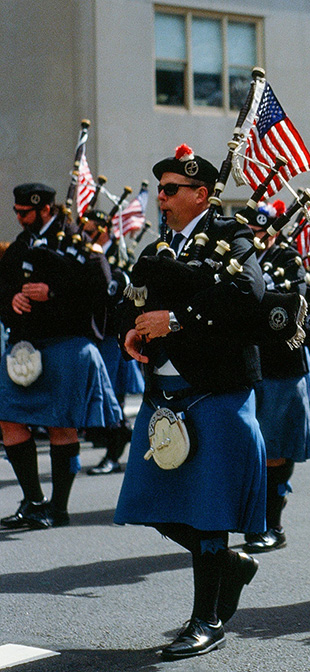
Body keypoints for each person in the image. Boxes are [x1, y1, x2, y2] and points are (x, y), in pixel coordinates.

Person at [114, 145, 264, 659]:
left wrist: (176, 320)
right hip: (165, 396)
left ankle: (207, 620)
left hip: (214, 392)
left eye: (172, 189)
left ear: (202, 194)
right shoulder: (157, 249)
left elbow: (251, 293)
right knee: (151, 503)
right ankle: (231, 566)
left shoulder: (230, 235)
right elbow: (129, 301)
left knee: (207, 512)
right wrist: (129, 333)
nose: (162, 197)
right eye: (160, 188)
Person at [0, 183, 122, 529]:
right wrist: (11, 301)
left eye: (25, 213)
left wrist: (52, 291)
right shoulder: (21, 245)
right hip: (25, 346)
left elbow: (101, 285)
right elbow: (2, 286)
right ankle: (34, 501)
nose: (20, 218)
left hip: (67, 343)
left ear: (45, 209)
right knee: (8, 418)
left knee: (61, 426)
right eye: (17, 212)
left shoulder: (79, 241)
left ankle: (58, 508)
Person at [241, 202, 310, 553]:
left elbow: (293, 302)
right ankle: (248, 520)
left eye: (263, 231)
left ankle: (272, 525)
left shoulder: (288, 260)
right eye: (252, 232)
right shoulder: (238, 258)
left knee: (274, 450)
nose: (257, 237)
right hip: (242, 363)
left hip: (279, 366)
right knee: (243, 450)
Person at [81, 209, 145, 475]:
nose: (84, 232)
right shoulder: (91, 253)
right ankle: (115, 443)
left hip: (112, 335)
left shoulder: (116, 256)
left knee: (111, 396)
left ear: (103, 229)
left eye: (90, 228)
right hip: (96, 333)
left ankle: (113, 452)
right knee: (101, 395)